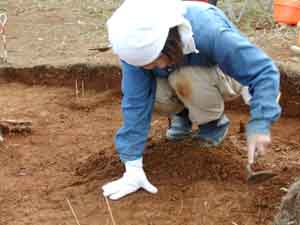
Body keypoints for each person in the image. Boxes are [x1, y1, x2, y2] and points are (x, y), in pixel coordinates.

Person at [102, 0, 281, 200]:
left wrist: (260, 122)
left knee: (186, 78)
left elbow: (263, 71)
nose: (148, 67)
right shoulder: (135, 45)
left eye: (152, 61)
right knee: (154, 93)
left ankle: (213, 126)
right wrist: (132, 165)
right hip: (176, 74)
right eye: (143, 64)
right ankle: (182, 118)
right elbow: (136, 101)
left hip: (224, 76)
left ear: (168, 43)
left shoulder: (209, 31)